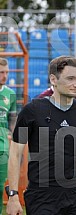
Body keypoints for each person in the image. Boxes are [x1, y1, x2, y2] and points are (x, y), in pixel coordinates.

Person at [6, 56, 76, 215]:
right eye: (71, 78)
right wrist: (13, 196)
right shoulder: (32, 110)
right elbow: (15, 154)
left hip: (73, 196)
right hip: (41, 196)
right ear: (53, 79)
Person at [0, 58, 16, 213]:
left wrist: (12, 135)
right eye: (1, 73)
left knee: (0, 185)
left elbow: (12, 120)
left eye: (6, 73)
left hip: (3, 145)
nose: (4, 76)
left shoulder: (10, 94)